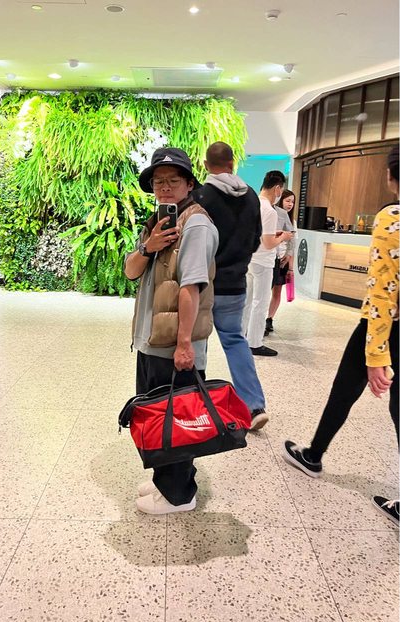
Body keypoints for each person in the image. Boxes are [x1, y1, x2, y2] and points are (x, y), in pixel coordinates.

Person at [282, 144, 399, 527]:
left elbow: (382, 290)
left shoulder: (391, 218)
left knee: (348, 389)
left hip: (385, 325)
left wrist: (376, 354)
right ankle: (314, 453)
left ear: (390, 176)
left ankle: (314, 455)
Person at [124, 147, 219, 516]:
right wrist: (149, 247)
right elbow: (131, 271)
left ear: (189, 184)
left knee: (178, 418)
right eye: (158, 181)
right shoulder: (157, 224)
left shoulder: (196, 225)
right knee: (158, 413)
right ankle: (165, 479)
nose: (164, 187)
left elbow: (191, 287)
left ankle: (179, 494)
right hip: (151, 339)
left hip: (174, 344)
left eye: (173, 180)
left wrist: (184, 345)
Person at [194, 141, 269, 431]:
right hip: (236, 283)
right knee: (235, 340)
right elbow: (256, 238)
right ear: (232, 162)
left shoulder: (201, 196)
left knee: (196, 341)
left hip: (204, 284)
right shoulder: (251, 196)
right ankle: (254, 405)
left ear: (205, 165)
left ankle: (195, 405)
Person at [242, 171, 294, 356]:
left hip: (250, 258)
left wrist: (274, 235)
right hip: (263, 261)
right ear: (277, 188)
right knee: (261, 302)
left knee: (248, 300)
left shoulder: (252, 204)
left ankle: (242, 336)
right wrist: (284, 237)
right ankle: (254, 343)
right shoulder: (270, 211)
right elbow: (269, 243)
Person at [265, 190, 296, 336]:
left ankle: (269, 319)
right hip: (270, 257)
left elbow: (293, 241)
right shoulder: (272, 214)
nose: (290, 204)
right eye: (287, 200)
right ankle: (260, 320)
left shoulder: (291, 221)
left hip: (283, 260)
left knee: (277, 292)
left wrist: (290, 263)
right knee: (264, 291)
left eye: (292, 202)